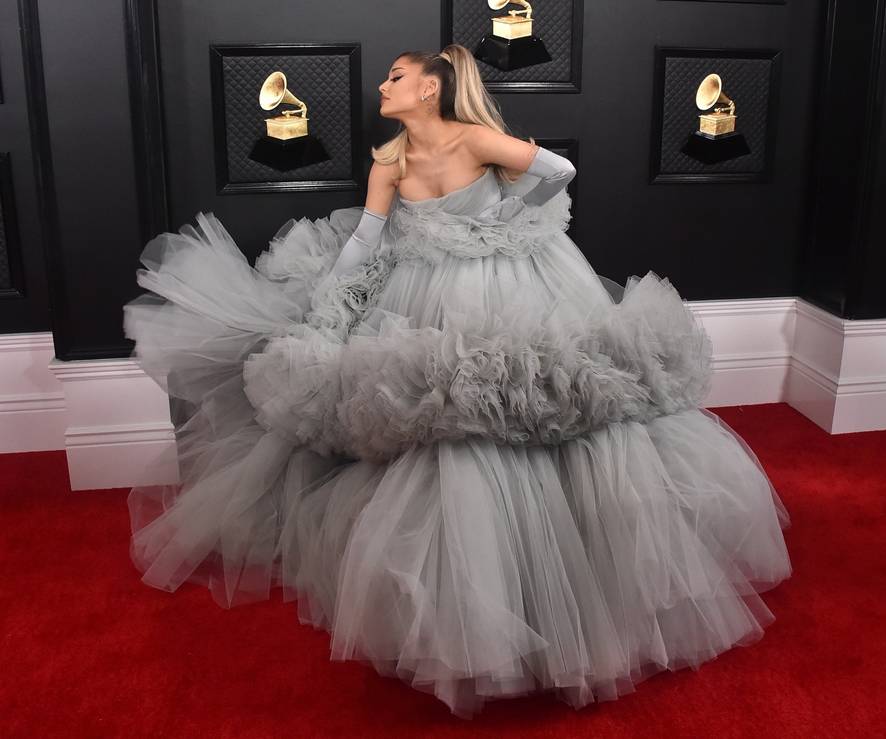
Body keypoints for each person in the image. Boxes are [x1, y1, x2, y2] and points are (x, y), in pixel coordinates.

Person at [122, 43, 792, 720]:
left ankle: (561, 586)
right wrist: (332, 293)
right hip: (420, 297)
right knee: (435, 410)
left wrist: (508, 222)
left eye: (396, 77)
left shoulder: (475, 137)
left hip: (509, 284)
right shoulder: (389, 160)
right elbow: (366, 241)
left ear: (431, 91)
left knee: (531, 395)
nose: (383, 85)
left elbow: (559, 170)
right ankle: (466, 594)